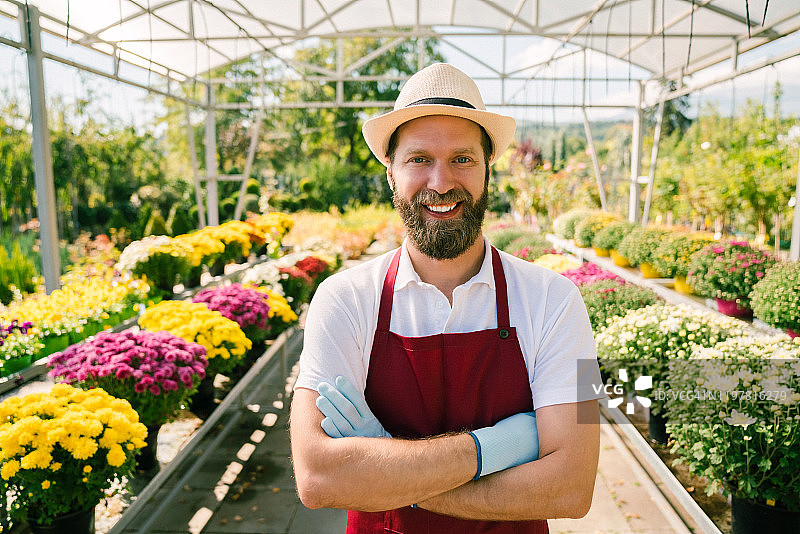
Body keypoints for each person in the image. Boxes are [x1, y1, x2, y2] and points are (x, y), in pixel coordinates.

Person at [290, 63, 604, 534]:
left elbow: (572, 488)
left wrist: (385, 468)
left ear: (487, 169)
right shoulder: (342, 299)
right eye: (419, 159)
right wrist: (494, 448)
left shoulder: (557, 301)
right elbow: (317, 478)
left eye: (462, 159)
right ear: (391, 173)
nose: (440, 182)